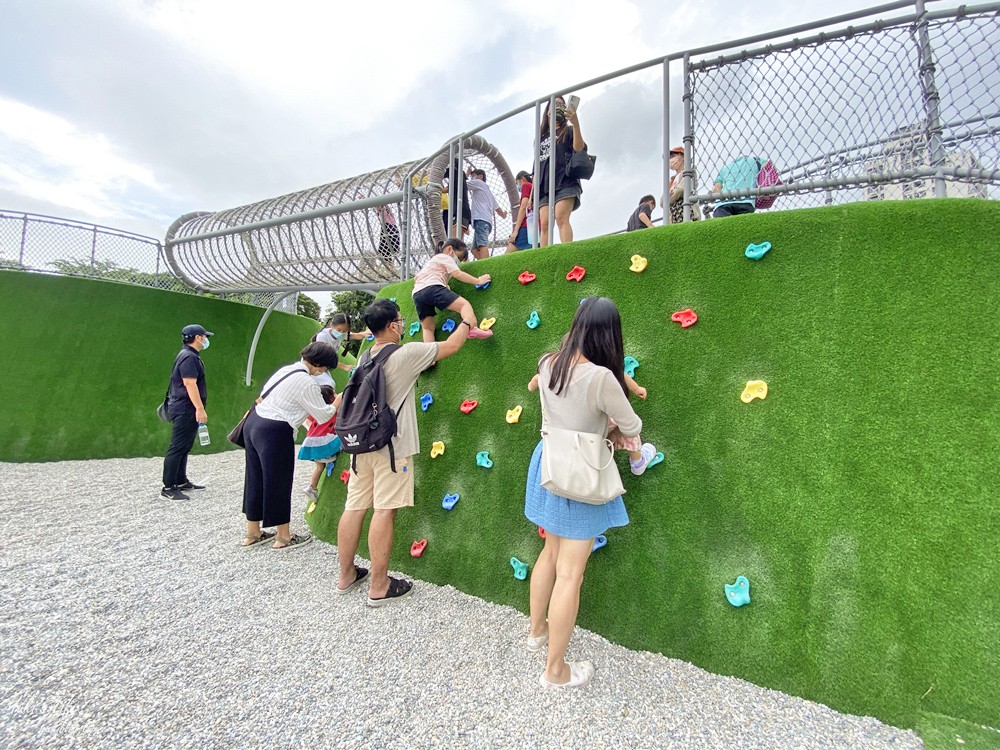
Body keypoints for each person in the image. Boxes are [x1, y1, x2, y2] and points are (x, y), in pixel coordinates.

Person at [523, 298, 657, 688]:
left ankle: (536, 632)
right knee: (570, 573)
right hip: (579, 473)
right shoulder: (600, 378)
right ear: (609, 334)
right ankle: (555, 671)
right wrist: (614, 433)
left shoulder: (548, 362)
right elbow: (631, 424)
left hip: (548, 465)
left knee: (549, 554)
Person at [334, 298, 472, 606]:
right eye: (399, 320)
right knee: (384, 510)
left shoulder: (364, 357)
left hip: (359, 445)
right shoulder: (405, 353)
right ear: (394, 325)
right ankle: (379, 585)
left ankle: (346, 576)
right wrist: (466, 319)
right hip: (390, 447)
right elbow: (450, 346)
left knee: (354, 507)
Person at [241, 342, 340, 550]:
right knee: (279, 482)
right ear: (319, 363)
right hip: (274, 429)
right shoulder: (307, 382)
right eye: (325, 367)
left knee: (255, 478)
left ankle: (253, 532)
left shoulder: (286, 370)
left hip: (254, 423)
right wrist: (339, 400)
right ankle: (283, 536)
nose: (324, 371)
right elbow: (323, 416)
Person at [161, 324, 212, 501]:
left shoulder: (188, 356)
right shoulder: (189, 357)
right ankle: (168, 487)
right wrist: (199, 408)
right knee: (177, 447)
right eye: (205, 337)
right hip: (184, 408)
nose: (206, 340)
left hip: (184, 407)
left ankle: (181, 481)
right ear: (198, 338)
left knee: (184, 445)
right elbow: (190, 383)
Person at [412, 238, 493, 343]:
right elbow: (457, 274)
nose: (458, 262)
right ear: (449, 249)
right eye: (458, 258)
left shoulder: (431, 263)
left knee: (428, 328)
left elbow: (416, 278)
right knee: (464, 305)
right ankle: (471, 327)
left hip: (417, 294)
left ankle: (430, 357)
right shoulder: (445, 257)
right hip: (433, 287)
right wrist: (478, 281)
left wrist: (444, 286)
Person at [536, 96, 587, 247]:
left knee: (561, 217)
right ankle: (544, 258)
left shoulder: (569, 130)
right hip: (544, 184)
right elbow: (537, 165)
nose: (558, 107)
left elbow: (579, 149)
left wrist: (575, 123)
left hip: (565, 180)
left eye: (561, 105)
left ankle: (567, 252)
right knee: (544, 223)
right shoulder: (541, 136)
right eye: (555, 104)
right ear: (547, 111)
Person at [298, 384, 341, 503]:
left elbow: (308, 419)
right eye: (334, 393)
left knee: (319, 467)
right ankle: (329, 457)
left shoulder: (316, 411)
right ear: (332, 398)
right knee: (342, 439)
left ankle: (312, 488)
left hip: (312, 443)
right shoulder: (331, 411)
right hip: (323, 443)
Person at [465, 167, 508, 260]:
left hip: (481, 220)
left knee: (482, 244)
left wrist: (467, 174)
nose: (472, 178)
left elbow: (461, 184)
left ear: (480, 176)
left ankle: (487, 266)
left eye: (473, 176)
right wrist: (504, 215)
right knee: (474, 249)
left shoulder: (479, 183)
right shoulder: (488, 191)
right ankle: (483, 264)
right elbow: (498, 210)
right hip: (486, 222)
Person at [661, 146, 702, 224]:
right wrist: (672, 194)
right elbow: (662, 202)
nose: (670, 160)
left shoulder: (689, 172)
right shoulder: (672, 179)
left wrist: (670, 196)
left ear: (682, 156)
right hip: (673, 216)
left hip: (687, 212)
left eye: (673, 156)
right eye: (669, 158)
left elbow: (680, 191)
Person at [506, 170, 534, 253]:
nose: (518, 186)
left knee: (506, 257)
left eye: (517, 183)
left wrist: (515, 231)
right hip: (535, 227)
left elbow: (523, 207)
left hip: (526, 226)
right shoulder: (533, 188)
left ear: (522, 179)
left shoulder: (526, 185)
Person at [373, 204, 400, 279]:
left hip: (388, 230)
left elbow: (377, 207)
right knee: (387, 254)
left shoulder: (384, 214)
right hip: (392, 231)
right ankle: (390, 271)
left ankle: (389, 271)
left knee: (386, 254)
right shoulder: (390, 215)